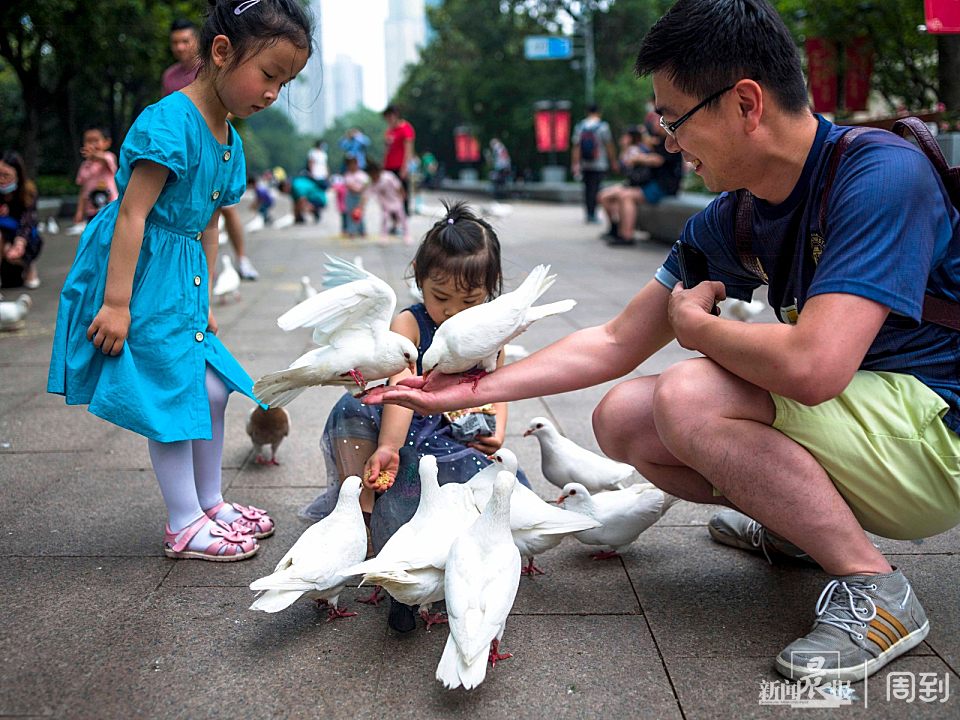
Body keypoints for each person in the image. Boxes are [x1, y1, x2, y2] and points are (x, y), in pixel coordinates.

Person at [366, 0, 960, 684]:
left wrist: (699, 331)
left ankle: (875, 590)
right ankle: (800, 531)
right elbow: (615, 341)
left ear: (746, 104)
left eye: (675, 120)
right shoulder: (733, 218)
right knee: (621, 418)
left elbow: (817, 367)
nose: (671, 141)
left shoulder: (878, 176)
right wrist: (460, 389)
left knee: (686, 395)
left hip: (937, 435)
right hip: (874, 425)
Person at [47, 0, 313, 562]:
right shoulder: (170, 123)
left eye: (284, 83)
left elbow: (208, 220)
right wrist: (116, 303)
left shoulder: (228, 140)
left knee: (213, 387)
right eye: (268, 75)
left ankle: (209, 500)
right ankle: (183, 522)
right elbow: (132, 215)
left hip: (183, 277)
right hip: (142, 272)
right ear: (221, 52)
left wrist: (211, 289)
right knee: (170, 393)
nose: (271, 93)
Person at [300, 200, 531, 631]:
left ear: (491, 292)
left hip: (456, 429)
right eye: (441, 297)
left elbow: (499, 385)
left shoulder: (490, 329)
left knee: (461, 495)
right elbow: (398, 392)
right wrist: (389, 445)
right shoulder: (409, 324)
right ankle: (368, 538)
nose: (453, 312)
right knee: (356, 414)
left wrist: (497, 428)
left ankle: (433, 574)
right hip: (404, 417)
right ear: (419, 279)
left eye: (471, 300)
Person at [161, 16, 259, 281]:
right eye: (175, 42)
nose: (180, 47)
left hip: (213, 145)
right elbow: (169, 116)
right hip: (183, 152)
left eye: (185, 41)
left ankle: (241, 258)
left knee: (224, 207)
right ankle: (190, 268)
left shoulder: (212, 68)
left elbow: (227, 110)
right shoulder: (169, 77)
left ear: (197, 41)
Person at [601, 120, 684, 247]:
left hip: (664, 186)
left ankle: (626, 236)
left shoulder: (670, 142)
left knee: (625, 196)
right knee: (608, 195)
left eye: (660, 122)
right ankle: (616, 230)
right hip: (650, 183)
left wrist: (638, 158)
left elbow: (658, 160)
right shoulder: (657, 141)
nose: (657, 125)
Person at [0, 150, 42, 290]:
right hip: (3, 236)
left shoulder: (28, 191)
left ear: (18, 175)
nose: (2, 179)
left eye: (6, 175)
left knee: (16, 281)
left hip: (24, 236)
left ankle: (28, 265)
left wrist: (19, 243)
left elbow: (28, 221)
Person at [570, 104, 617, 224]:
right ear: (599, 112)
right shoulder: (603, 126)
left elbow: (576, 147)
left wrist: (575, 163)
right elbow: (609, 145)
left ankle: (589, 213)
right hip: (599, 163)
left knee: (587, 189)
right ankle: (594, 214)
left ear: (587, 112)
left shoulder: (580, 126)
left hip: (585, 164)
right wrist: (613, 161)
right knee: (596, 188)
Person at [73, 126, 119, 227]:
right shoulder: (85, 166)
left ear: (107, 143)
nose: (92, 145)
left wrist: (94, 155)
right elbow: (83, 191)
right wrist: (79, 211)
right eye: (89, 141)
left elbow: (105, 160)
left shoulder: (109, 157)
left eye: (96, 141)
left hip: (109, 208)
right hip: (91, 211)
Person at [365, 160, 408, 244]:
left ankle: (406, 235)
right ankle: (383, 236)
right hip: (385, 203)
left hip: (395, 200)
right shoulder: (372, 184)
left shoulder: (388, 177)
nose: (374, 177)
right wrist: (361, 207)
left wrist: (402, 195)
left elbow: (398, 186)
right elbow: (366, 196)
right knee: (384, 218)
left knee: (402, 217)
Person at [382, 105, 415, 216]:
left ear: (395, 115)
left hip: (400, 166)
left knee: (402, 192)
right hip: (389, 166)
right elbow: (387, 150)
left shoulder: (405, 128)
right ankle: (394, 218)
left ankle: (403, 217)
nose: (388, 120)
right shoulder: (389, 131)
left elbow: (408, 149)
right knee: (390, 193)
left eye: (390, 117)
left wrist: (405, 167)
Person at [342, 154, 369, 237]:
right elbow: (349, 185)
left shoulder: (362, 174)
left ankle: (362, 230)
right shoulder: (347, 175)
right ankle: (351, 231)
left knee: (359, 213)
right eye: (350, 164)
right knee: (351, 214)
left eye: (353, 163)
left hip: (360, 196)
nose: (352, 166)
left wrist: (361, 191)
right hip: (351, 196)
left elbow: (366, 184)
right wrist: (357, 190)